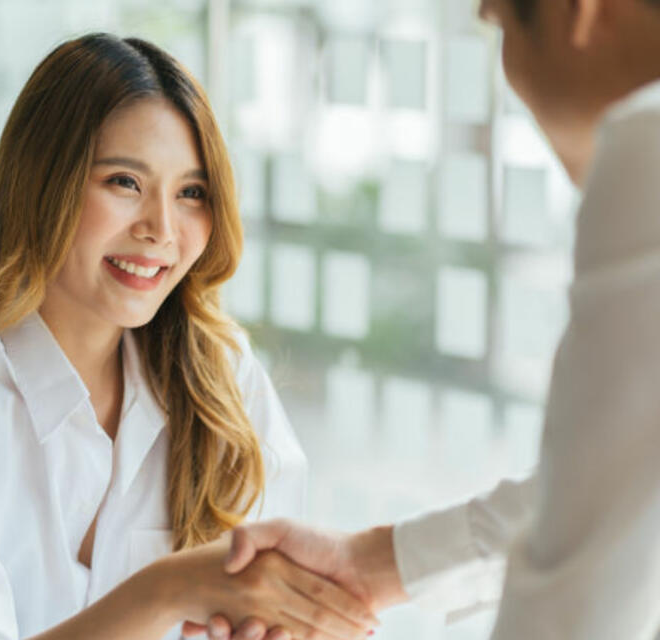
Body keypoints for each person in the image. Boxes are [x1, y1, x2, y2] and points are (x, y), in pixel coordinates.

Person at [0, 33, 378, 640]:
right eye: (124, 182)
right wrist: (169, 589)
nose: (161, 229)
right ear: (44, 185)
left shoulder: (223, 382)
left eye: (191, 194)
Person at [189, 0, 660, 638]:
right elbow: (609, 486)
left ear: (577, 12)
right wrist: (368, 564)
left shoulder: (646, 150)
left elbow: (580, 585)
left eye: (496, 23)